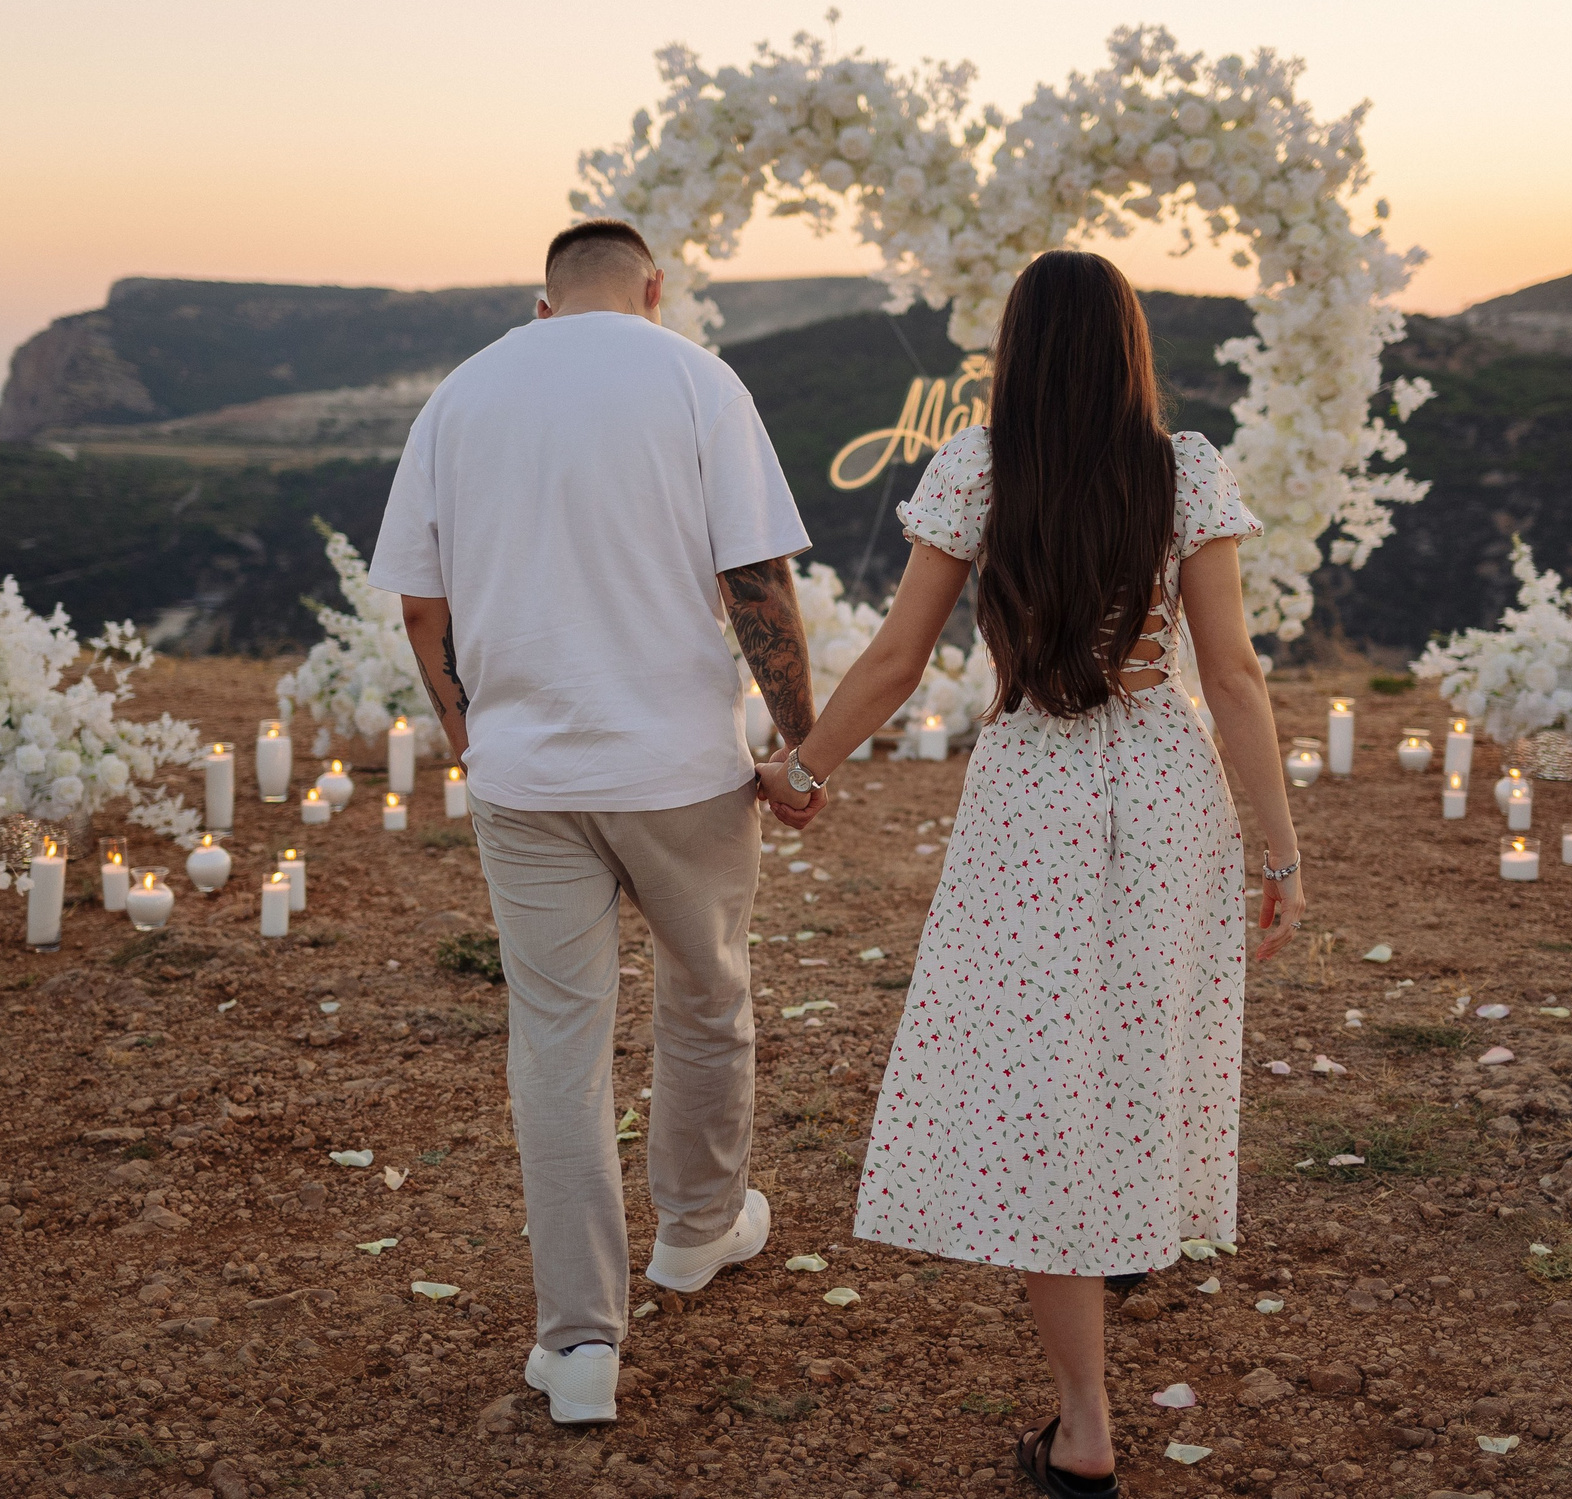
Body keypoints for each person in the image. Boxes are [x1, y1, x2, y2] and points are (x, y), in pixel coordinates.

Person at [758, 250, 1301, 1498]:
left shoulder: (977, 470)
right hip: (1169, 796)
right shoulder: (1186, 471)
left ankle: (1085, 1423)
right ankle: (1128, 1227)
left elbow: (898, 657)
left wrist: (801, 768)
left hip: (1034, 800)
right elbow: (1234, 678)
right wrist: (1276, 848)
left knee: (1039, 1080)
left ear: (1016, 350)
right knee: (1139, 1039)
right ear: (1128, 349)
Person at [370, 219, 826, 1426]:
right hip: (678, 767)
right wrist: (798, 743)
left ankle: (578, 1346)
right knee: (707, 993)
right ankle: (696, 1230)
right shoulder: (695, 378)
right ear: (653, 289)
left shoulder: (462, 394)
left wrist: (470, 732)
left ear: (544, 303)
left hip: (526, 780)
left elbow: (422, 604)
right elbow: (756, 582)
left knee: (557, 1048)